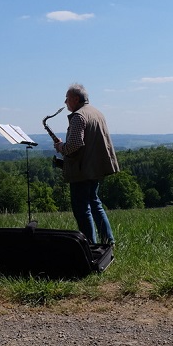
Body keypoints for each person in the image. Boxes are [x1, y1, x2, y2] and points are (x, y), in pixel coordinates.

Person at [53, 83, 119, 246]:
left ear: (76, 99)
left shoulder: (79, 116)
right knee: (95, 203)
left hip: (82, 170)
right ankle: (108, 241)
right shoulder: (96, 113)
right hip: (95, 168)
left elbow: (75, 144)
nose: (65, 102)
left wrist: (61, 147)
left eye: (67, 98)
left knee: (82, 209)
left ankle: (90, 245)